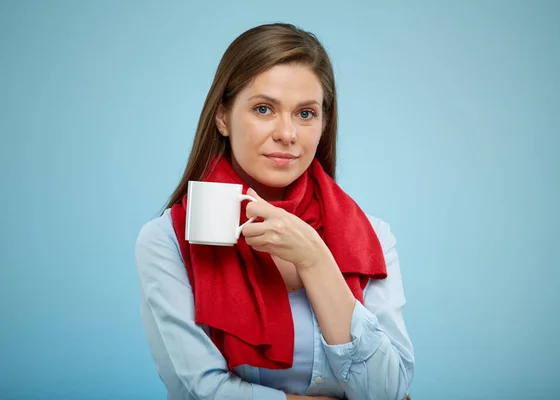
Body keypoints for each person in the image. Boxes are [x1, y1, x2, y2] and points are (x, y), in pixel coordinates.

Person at [135, 23, 414, 400]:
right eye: (264, 109)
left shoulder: (372, 238)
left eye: (305, 113)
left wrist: (315, 259)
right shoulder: (167, 240)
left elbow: (390, 391)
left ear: (323, 124)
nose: (288, 133)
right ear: (222, 117)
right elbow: (201, 391)